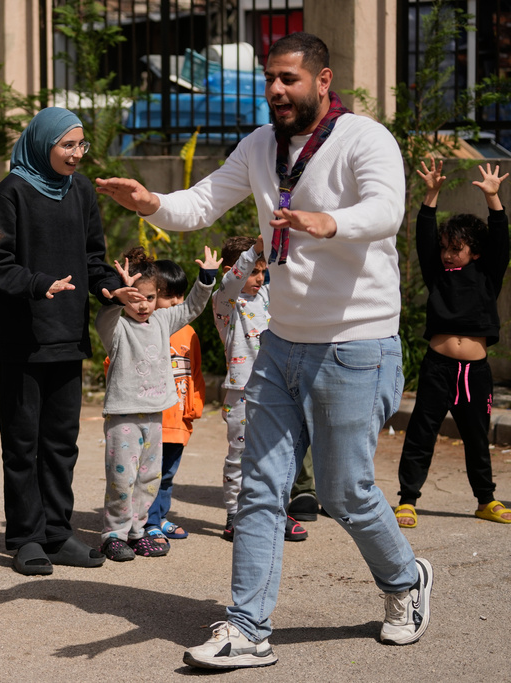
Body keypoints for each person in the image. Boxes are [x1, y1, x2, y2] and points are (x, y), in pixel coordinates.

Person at [97, 31, 432, 668]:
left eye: (289, 79)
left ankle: (405, 583)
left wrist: (329, 222)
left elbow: (387, 210)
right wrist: (153, 203)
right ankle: (248, 628)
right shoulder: (259, 146)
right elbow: (201, 203)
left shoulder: (365, 139)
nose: (276, 91)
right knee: (258, 487)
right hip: (281, 344)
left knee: (345, 492)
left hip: (355, 344)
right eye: (270, 80)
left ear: (323, 80)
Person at [0, 106, 139, 576]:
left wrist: (111, 288)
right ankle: (26, 538)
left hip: (67, 335)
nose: (76, 154)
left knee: (60, 442)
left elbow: (94, 258)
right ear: (42, 144)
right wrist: (39, 284)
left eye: (81, 145)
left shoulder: (82, 191)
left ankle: (57, 532)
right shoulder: (11, 191)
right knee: (23, 442)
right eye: (67, 145)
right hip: (22, 338)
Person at [396, 159, 511, 528]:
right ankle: (408, 500)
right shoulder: (438, 275)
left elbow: (501, 240)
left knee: (477, 436)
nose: (447, 254)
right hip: (438, 367)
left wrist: (494, 199)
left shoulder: (487, 275)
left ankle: (485, 500)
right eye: (445, 247)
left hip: (475, 372)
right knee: (421, 432)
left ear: (474, 251)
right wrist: (431, 194)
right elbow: (424, 236)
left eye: (455, 248)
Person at [95, 247, 217, 561]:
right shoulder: (118, 327)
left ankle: (137, 531)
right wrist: (114, 298)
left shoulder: (163, 321)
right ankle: (114, 534)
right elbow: (105, 316)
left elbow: (191, 307)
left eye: (150, 298)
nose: (143, 305)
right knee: (122, 478)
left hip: (154, 414)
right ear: (124, 298)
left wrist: (206, 279)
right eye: (135, 298)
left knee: (149, 478)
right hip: (124, 417)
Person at [213, 235, 307, 543]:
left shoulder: (267, 296)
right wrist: (254, 249)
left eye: (262, 270)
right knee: (240, 454)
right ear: (234, 269)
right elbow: (231, 281)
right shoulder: (226, 303)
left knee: (278, 454)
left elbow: (289, 274)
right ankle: (233, 515)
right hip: (240, 391)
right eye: (254, 271)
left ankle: (276, 511)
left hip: (275, 390)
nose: (260, 277)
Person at [142, 259, 205, 545]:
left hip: (178, 420)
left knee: (167, 475)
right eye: (169, 296)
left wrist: (193, 409)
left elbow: (195, 373)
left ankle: (159, 516)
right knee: (147, 475)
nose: (177, 301)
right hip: (150, 419)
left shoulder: (189, 332)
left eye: (180, 294)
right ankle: (147, 522)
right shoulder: (142, 329)